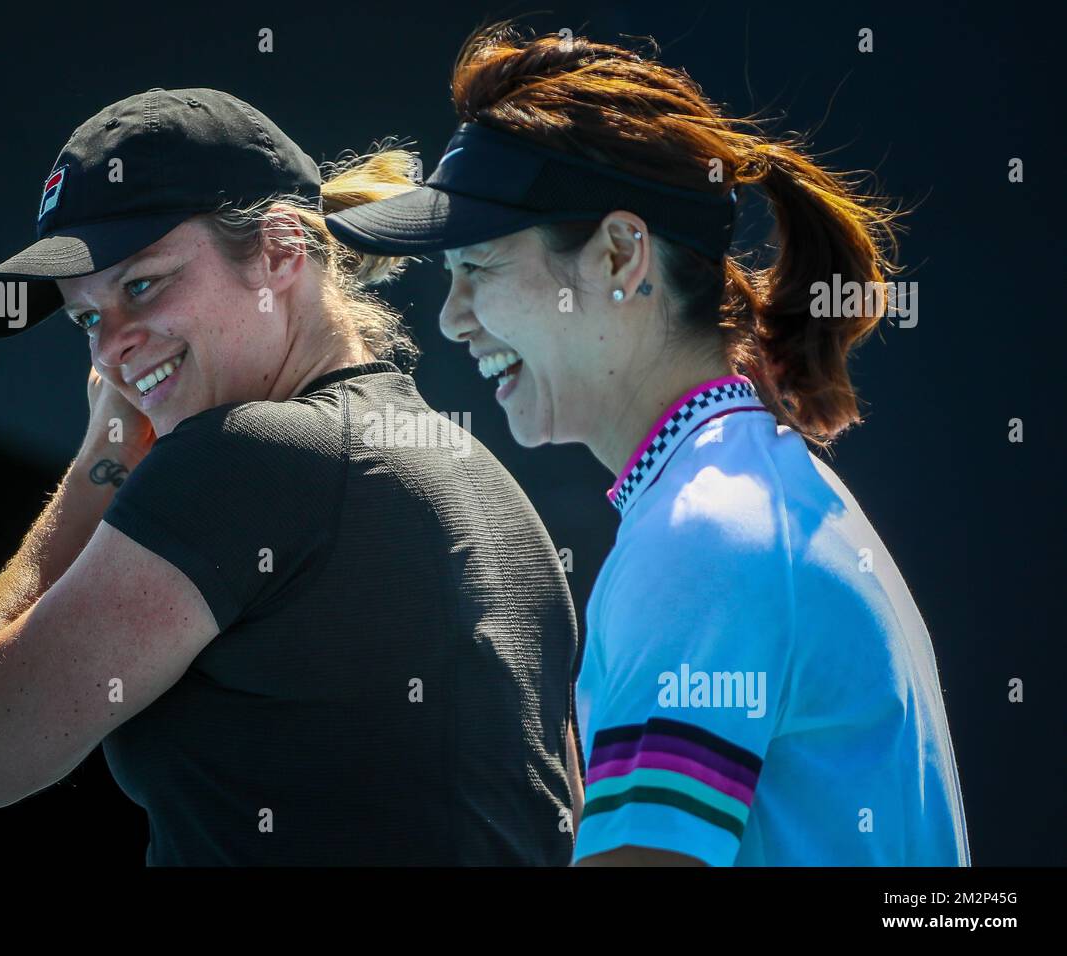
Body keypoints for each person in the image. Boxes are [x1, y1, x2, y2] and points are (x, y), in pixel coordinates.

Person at [325, 23, 971, 866]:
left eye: (477, 265)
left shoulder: (701, 539)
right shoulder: (740, 497)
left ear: (622, 254)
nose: (451, 317)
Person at [0, 86, 582, 866]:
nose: (110, 351)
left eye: (142, 285)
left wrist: (103, 457)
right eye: (86, 318)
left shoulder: (242, 457)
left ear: (279, 252)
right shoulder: (483, 482)